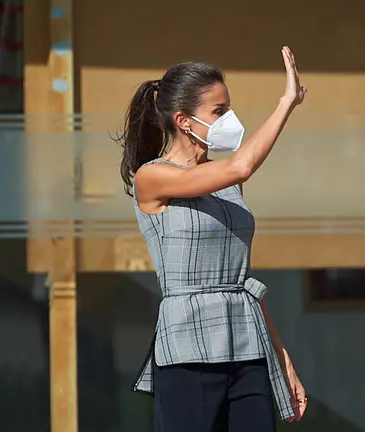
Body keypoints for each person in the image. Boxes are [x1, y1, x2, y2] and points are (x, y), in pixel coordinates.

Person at [115, 46, 308, 432]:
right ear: (184, 121)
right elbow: (242, 165)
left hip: (247, 342)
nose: (229, 119)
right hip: (189, 350)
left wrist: (281, 356)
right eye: (219, 111)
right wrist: (286, 102)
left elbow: (242, 282)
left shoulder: (227, 187)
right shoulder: (153, 177)